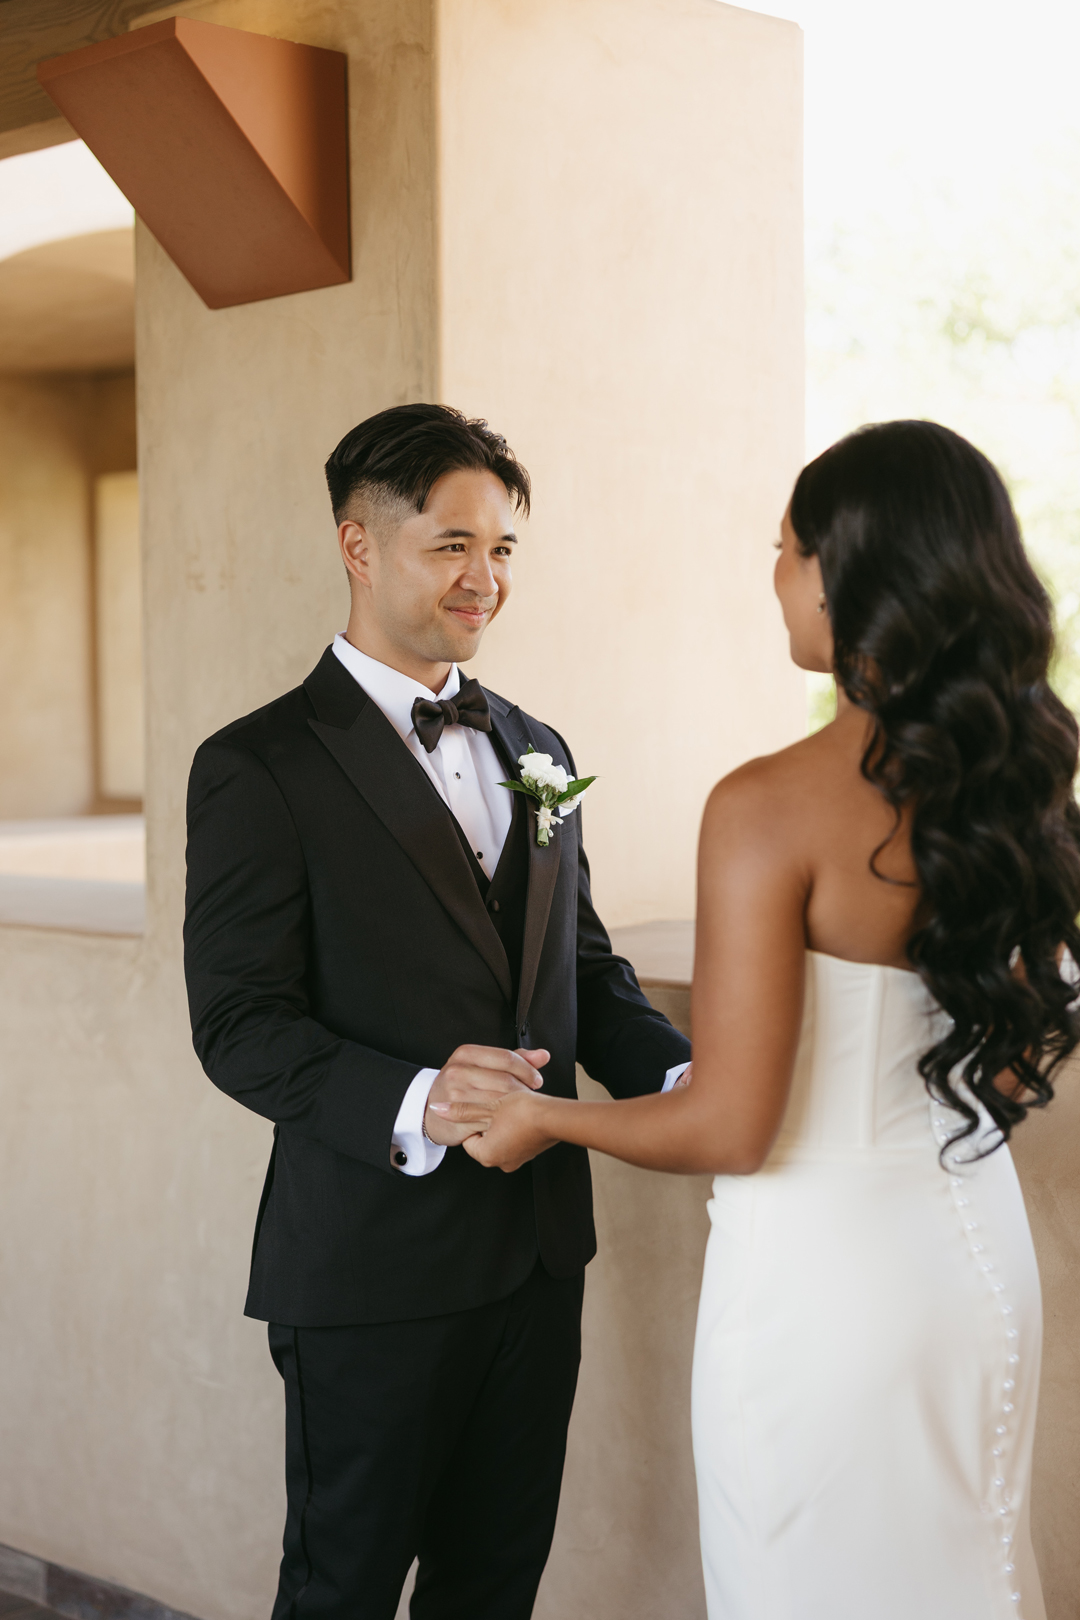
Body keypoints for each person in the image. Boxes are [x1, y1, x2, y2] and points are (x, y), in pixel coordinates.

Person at [452, 420, 1080, 1620]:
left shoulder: (766, 807)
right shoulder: (1023, 785)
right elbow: (1004, 1072)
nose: (774, 572)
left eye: (786, 546)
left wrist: (544, 1118)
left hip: (818, 1288)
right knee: (968, 1574)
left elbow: (735, 1128)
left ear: (847, 573)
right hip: (973, 1267)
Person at [183, 402, 691, 1619]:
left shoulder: (538, 744)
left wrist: (685, 1084)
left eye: (503, 549)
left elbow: (587, 970)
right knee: (341, 1590)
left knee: (492, 1591)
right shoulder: (259, 766)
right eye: (453, 545)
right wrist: (424, 1101)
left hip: (537, 1262)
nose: (486, 578)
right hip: (369, 1270)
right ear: (360, 546)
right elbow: (240, 1024)